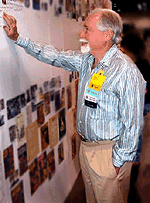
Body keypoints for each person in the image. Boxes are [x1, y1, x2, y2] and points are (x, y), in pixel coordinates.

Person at [3, 8, 146, 203]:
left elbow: (133, 121)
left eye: (87, 29)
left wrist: (118, 160)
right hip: (86, 149)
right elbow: (53, 55)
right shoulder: (88, 61)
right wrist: (18, 38)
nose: (81, 34)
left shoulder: (125, 71)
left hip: (109, 153)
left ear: (107, 35)